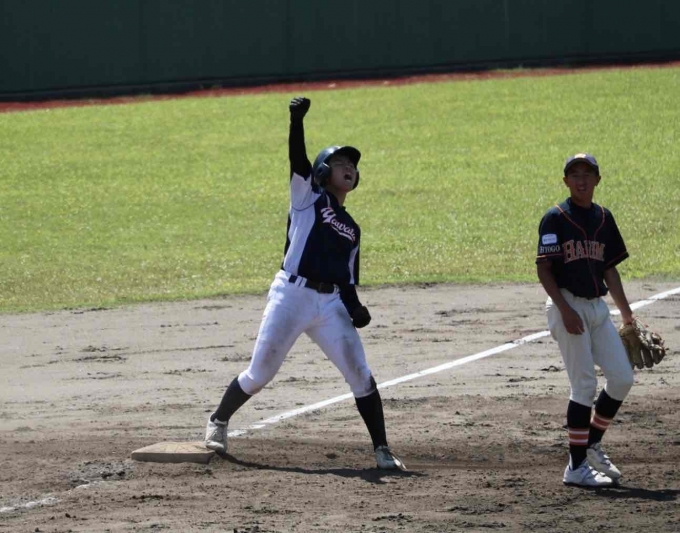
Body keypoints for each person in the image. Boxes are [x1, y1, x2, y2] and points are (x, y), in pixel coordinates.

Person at [204, 96, 405, 470]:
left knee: (361, 375)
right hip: (291, 296)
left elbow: (346, 278)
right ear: (323, 171)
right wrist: (296, 121)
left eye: (353, 166)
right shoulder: (307, 198)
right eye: (341, 163)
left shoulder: (352, 229)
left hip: (329, 306)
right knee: (260, 374)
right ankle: (218, 420)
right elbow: (297, 160)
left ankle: (382, 449)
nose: (349, 168)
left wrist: (356, 308)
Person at [536, 153, 635, 488]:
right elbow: (544, 269)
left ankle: (590, 444)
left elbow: (610, 270)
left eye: (587, 174)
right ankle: (576, 468)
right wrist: (565, 310)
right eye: (575, 175)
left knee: (621, 378)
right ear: (566, 181)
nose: (581, 180)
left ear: (597, 180)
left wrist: (627, 314)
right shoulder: (555, 218)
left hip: (597, 309)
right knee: (584, 386)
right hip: (567, 306)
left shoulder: (604, 218)